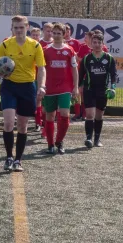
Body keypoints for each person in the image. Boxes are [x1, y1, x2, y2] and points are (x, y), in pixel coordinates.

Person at [0, 15, 46, 172]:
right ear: (12, 28)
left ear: (27, 27)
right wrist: (3, 72)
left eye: (21, 27)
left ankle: (18, 160)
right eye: (15, 27)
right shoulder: (4, 45)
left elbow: (41, 68)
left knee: (23, 126)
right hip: (9, 86)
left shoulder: (36, 46)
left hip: (27, 87)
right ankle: (9, 157)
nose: (18, 30)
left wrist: (42, 86)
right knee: (9, 123)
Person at [42, 22, 79, 154]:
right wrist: (41, 86)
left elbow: (74, 70)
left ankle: (60, 141)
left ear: (64, 35)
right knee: (50, 116)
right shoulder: (46, 50)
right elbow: (41, 69)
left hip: (65, 88)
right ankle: (50, 144)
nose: (56, 35)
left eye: (59, 33)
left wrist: (75, 87)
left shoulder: (69, 50)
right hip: (49, 88)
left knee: (65, 114)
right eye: (54, 33)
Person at [79, 32, 118, 149]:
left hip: (103, 91)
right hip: (89, 90)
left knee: (99, 116)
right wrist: (79, 87)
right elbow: (81, 75)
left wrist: (113, 88)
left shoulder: (109, 58)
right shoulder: (86, 59)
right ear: (91, 44)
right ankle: (88, 138)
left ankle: (97, 138)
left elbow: (113, 74)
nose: (96, 45)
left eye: (99, 42)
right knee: (90, 115)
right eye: (94, 42)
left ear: (103, 44)